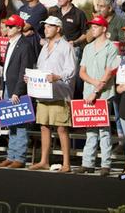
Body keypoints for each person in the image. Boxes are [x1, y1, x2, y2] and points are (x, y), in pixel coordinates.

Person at [29, 15, 76, 172]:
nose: (45, 28)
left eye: (49, 26)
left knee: (62, 128)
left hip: (59, 93)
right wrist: (31, 77)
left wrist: (58, 77)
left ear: (58, 28)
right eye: (45, 26)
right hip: (44, 93)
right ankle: (44, 160)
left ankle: (66, 163)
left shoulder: (66, 47)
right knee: (44, 127)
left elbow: (71, 69)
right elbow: (40, 68)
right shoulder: (44, 47)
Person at [78, 15, 118, 176]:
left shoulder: (111, 47)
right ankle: (87, 163)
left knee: (104, 130)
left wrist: (97, 89)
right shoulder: (88, 47)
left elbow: (109, 72)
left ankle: (105, 164)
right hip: (89, 93)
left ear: (104, 28)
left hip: (103, 94)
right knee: (90, 130)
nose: (92, 29)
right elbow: (82, 72)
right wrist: (94, 84)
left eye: (95, 26)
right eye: (92, 26)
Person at [0, 15, 36, 169]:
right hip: (7, 87)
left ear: (19, 28)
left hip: (16, 90)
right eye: (7, 26)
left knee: (20, 124)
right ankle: (11, 155)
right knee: (10, 123)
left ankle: (19, 157)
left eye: (11, 26)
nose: (7, 28)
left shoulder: (25, 45)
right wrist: (3, 88)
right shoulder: (10, 43)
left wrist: (18, 92)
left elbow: (24, 70)